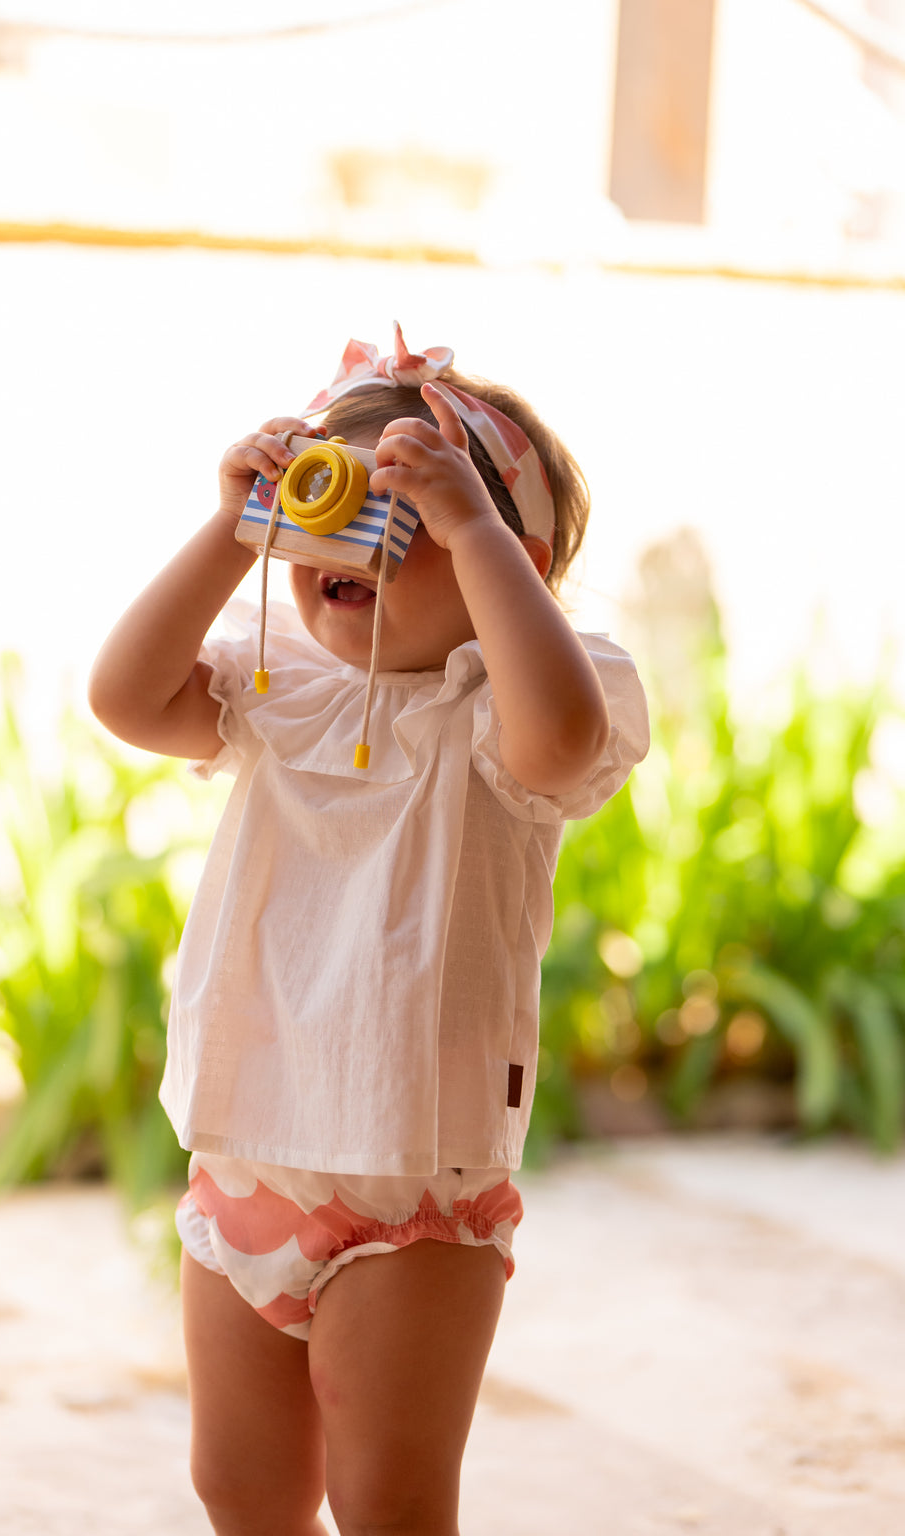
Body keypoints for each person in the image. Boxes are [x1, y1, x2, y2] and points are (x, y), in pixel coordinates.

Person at [88, 325, 649, 1536]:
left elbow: (557, 738)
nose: (360, 543)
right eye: (328, 510)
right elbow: (126, 698)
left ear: (523, 564)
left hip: (416, 1183)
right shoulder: (276, 681)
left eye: (407, 521)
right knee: (239, 1488)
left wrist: (475, 535)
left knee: (386, 1499)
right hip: (249, 1155)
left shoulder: (515, 700)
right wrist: (228, 526)